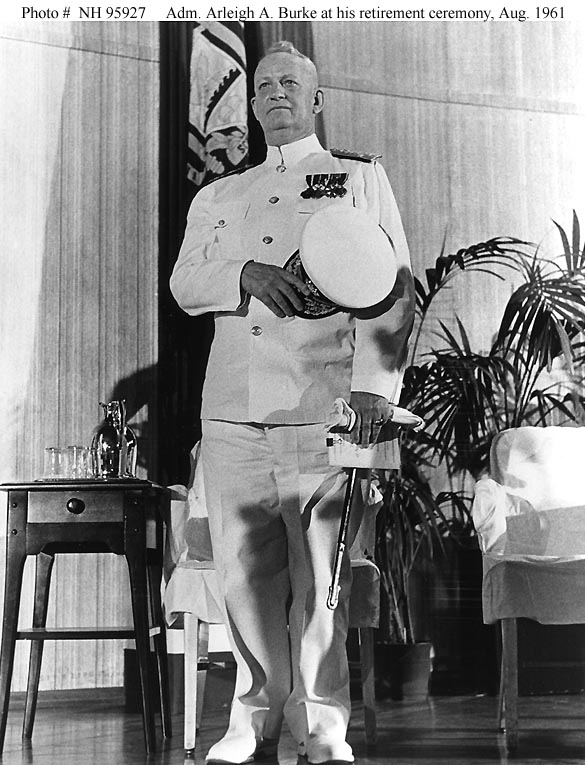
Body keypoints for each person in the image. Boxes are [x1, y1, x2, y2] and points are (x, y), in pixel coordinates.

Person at [170, 41, 414, 765]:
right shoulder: (218, 195)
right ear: (251, 105)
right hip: (233, 406)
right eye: (264, 85)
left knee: (321, 577)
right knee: (244, 575)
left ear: (316, 100)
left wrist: (373, 387)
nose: (276, 93)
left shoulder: (356, 177)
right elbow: (185, 283)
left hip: (321, 401)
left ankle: (323, 724)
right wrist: (243, 272)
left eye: (290, 83)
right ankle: (252, 719)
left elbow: (392, 289)